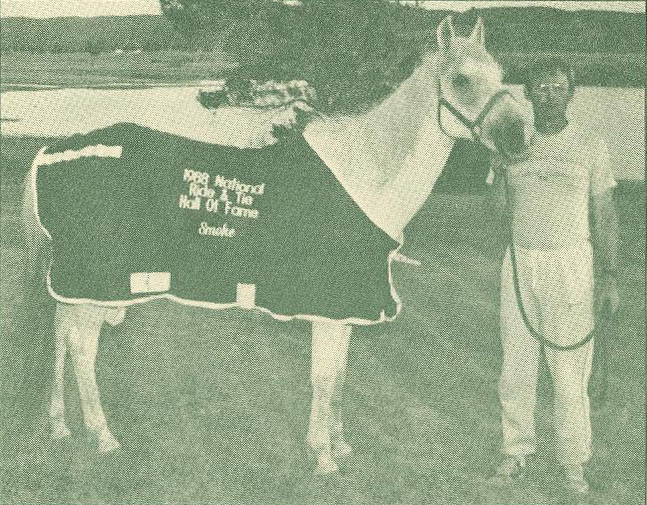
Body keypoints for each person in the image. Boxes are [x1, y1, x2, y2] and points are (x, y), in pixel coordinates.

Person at [488, 58, 620, 493]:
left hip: (571, 265)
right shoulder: (514, 141)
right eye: (540, 88)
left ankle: (573, 461)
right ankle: (516, 452)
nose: (548, 95)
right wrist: (502, 168)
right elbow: (499, 215)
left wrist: (611, 277)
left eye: (557, 87)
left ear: (570, 93)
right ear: (528, 94)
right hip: (520, 261)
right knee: (516, 365)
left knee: (569, 371)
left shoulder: (588, 143)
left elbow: (604, 214)